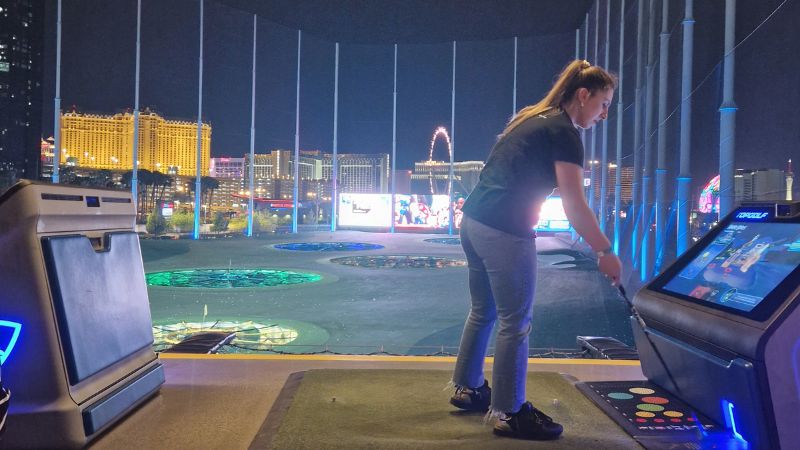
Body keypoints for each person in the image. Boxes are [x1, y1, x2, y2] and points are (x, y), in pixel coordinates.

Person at [448, 59, 622, 440]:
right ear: (583, 95)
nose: (604, 113)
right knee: (516, 322)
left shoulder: (533, 116)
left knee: (483, 311)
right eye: (604, 103)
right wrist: (604, 251)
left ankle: (469, 388)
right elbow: (575, 205)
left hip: (474, 222)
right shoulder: (564, 133)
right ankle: (510, 413)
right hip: (505, 231)